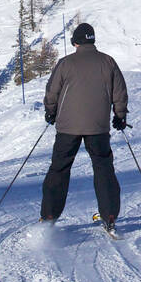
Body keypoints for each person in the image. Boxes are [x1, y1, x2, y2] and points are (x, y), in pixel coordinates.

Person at [40, 22, 128, 233]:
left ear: (75, 42)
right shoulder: (108, 62)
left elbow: (52, 91)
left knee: (59, 168)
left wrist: (50, 112)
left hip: (67, 127)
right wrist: (120, 115)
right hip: (98, 126)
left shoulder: (65, 63)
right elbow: (120, 91)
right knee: (103, 168)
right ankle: (109, 216)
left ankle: (49, 215)